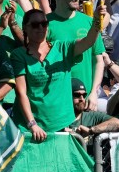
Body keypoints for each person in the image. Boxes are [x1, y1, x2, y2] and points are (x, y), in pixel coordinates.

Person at [11, 7, 102, 141]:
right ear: (25, 27)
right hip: (32, 128)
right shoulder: (18, 55)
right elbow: (21, 92)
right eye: (35, 25)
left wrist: (96, 21)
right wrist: (32, 124)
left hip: (62, 124)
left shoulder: (62, 47)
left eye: (44, 24)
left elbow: (88, 41)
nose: (40, 28)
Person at [47, 0, 105, 107]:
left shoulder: (90, 21)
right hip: (57, 99)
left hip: (84, 98)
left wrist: (94, 92)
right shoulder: (44, 24)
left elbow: (98, 60)